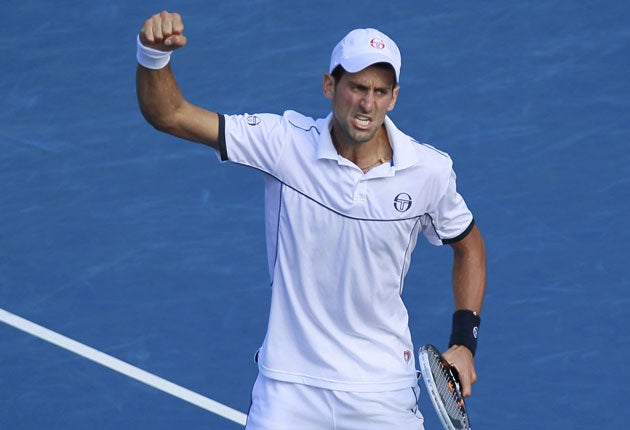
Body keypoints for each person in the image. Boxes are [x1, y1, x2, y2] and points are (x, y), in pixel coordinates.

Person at [136, 10, 486, 430]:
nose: (366, 104)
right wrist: (152, 56)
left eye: (379, 91)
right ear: (329, 86)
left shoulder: (428, 171)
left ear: (394, 97)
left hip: (382, 390)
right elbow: (170, 114)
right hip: (289, 389)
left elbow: (469, 246)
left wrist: (464, 342)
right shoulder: (284, 144)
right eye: (356, 87)